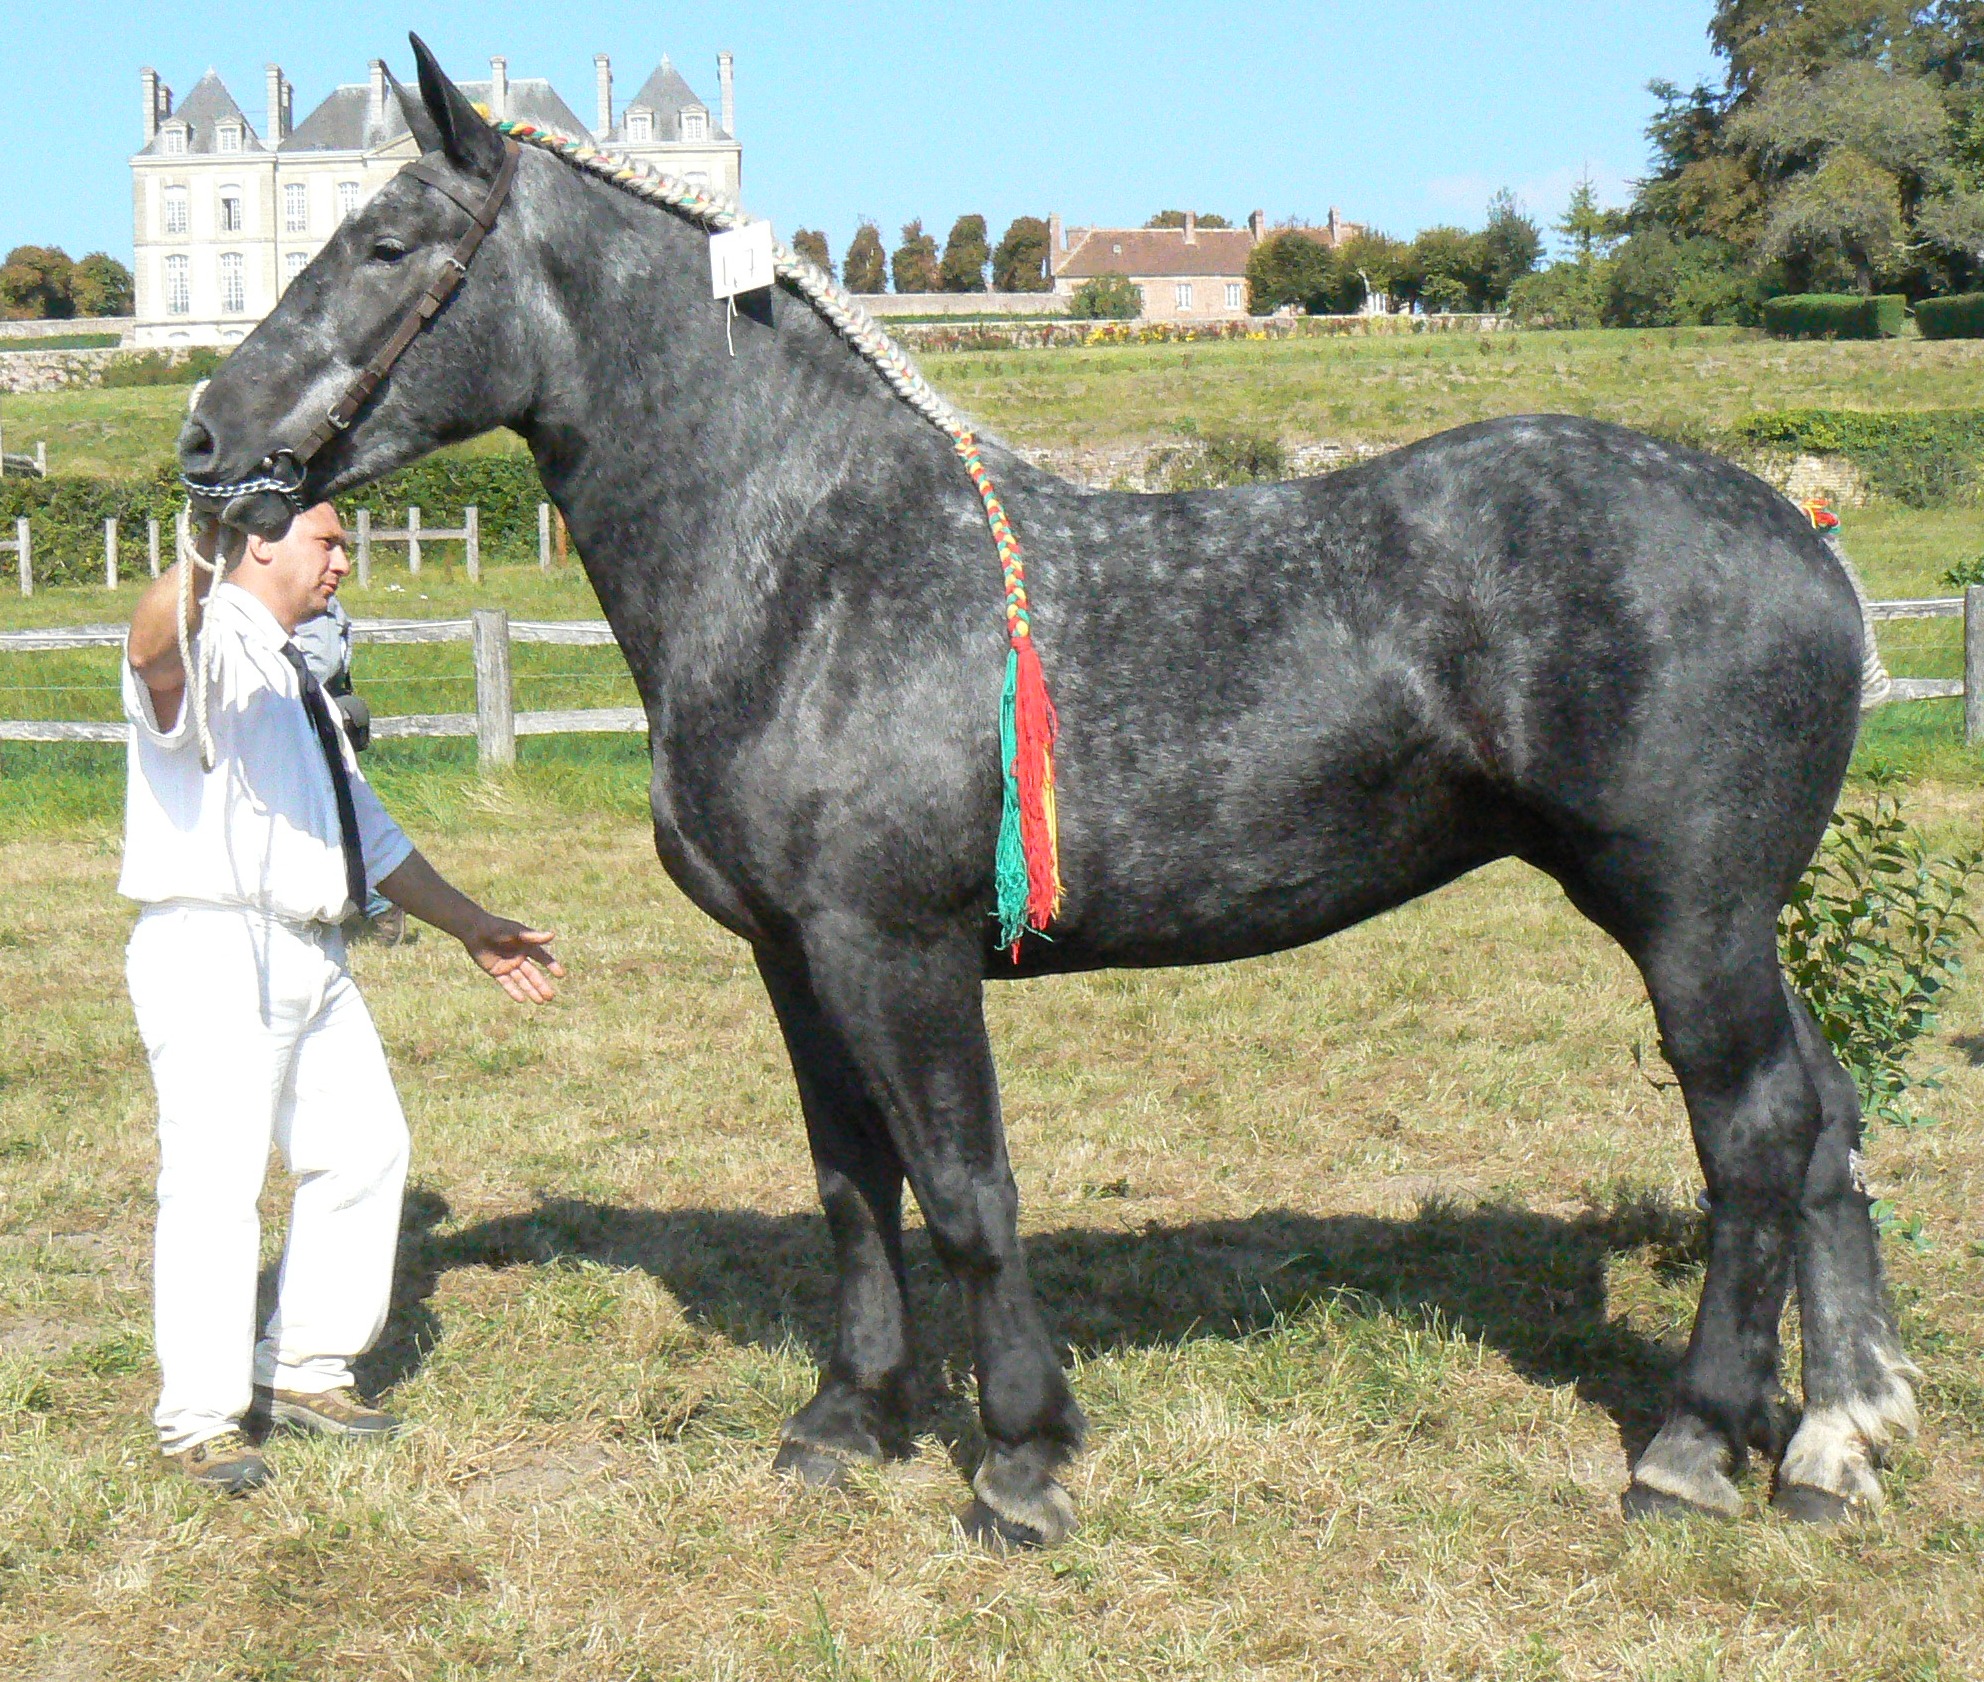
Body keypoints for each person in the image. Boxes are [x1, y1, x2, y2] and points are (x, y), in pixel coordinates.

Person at [122, 501, 565, 1494]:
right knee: (215, 1183)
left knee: (367, 1148)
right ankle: (199, 1415)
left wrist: (473, 927)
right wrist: (204, 533)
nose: (343, 562)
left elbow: (375, 836)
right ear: (263, 541)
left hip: (312, 945)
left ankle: (304, 1366)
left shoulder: (294, 671)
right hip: (213, 942)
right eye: (327, 540)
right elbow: (151, 650)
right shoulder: (211, 641)